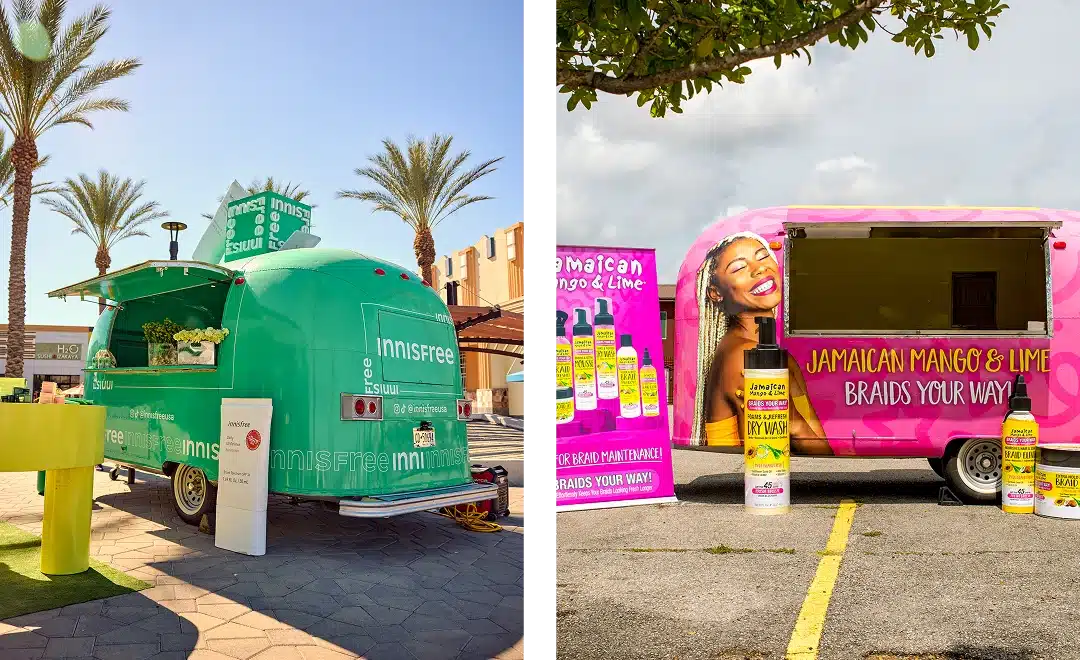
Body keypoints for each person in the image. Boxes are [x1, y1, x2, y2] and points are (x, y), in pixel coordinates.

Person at [690, 232, 832, 455]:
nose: (759, 269)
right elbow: (767, 455)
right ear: (716, 293)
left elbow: (821, 446)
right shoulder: (746, 357)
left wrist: (795, 422)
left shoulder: (777, 357)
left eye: (763, 257)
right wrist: (793, 422)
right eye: (738, 268)